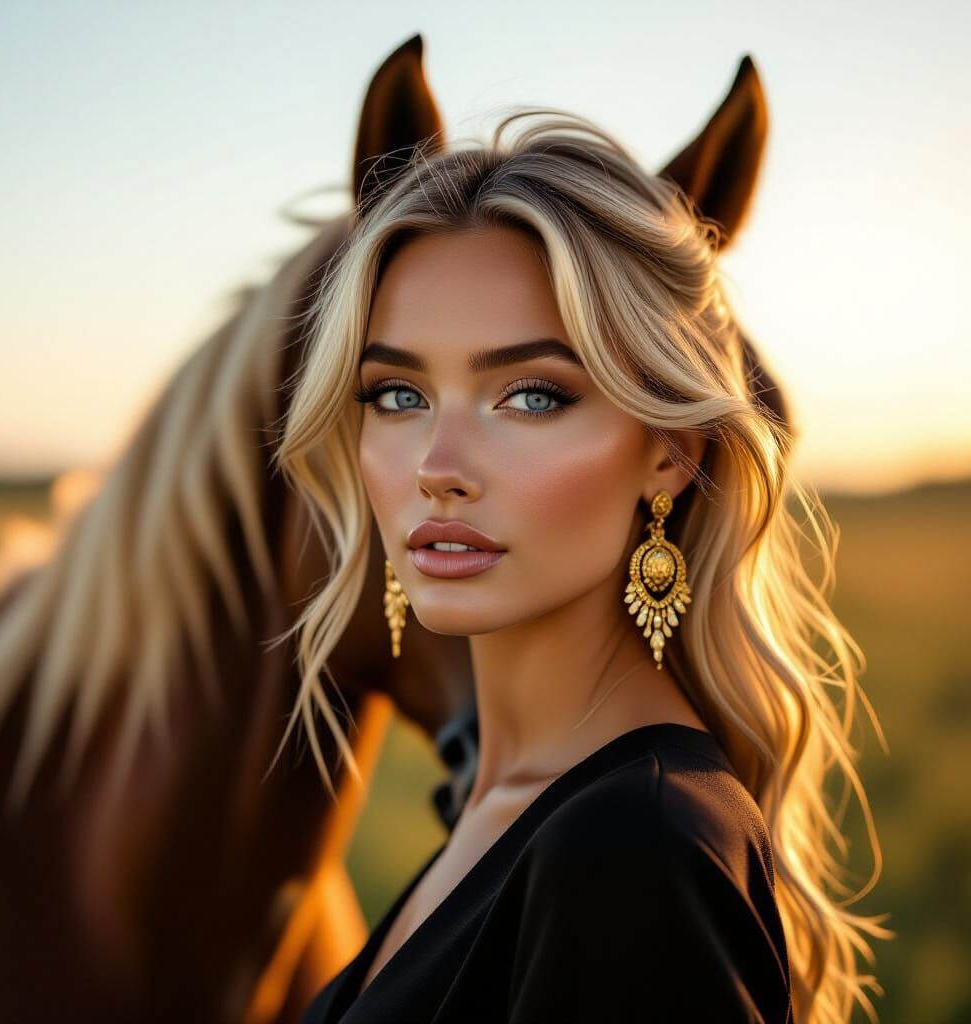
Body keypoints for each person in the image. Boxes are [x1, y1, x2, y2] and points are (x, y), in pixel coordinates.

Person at [270, 108, 890, 1023]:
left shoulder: (635, 849)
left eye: (530, 395)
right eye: (396, 394)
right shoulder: (518, 806)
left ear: (669, 450)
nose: (437, 467)